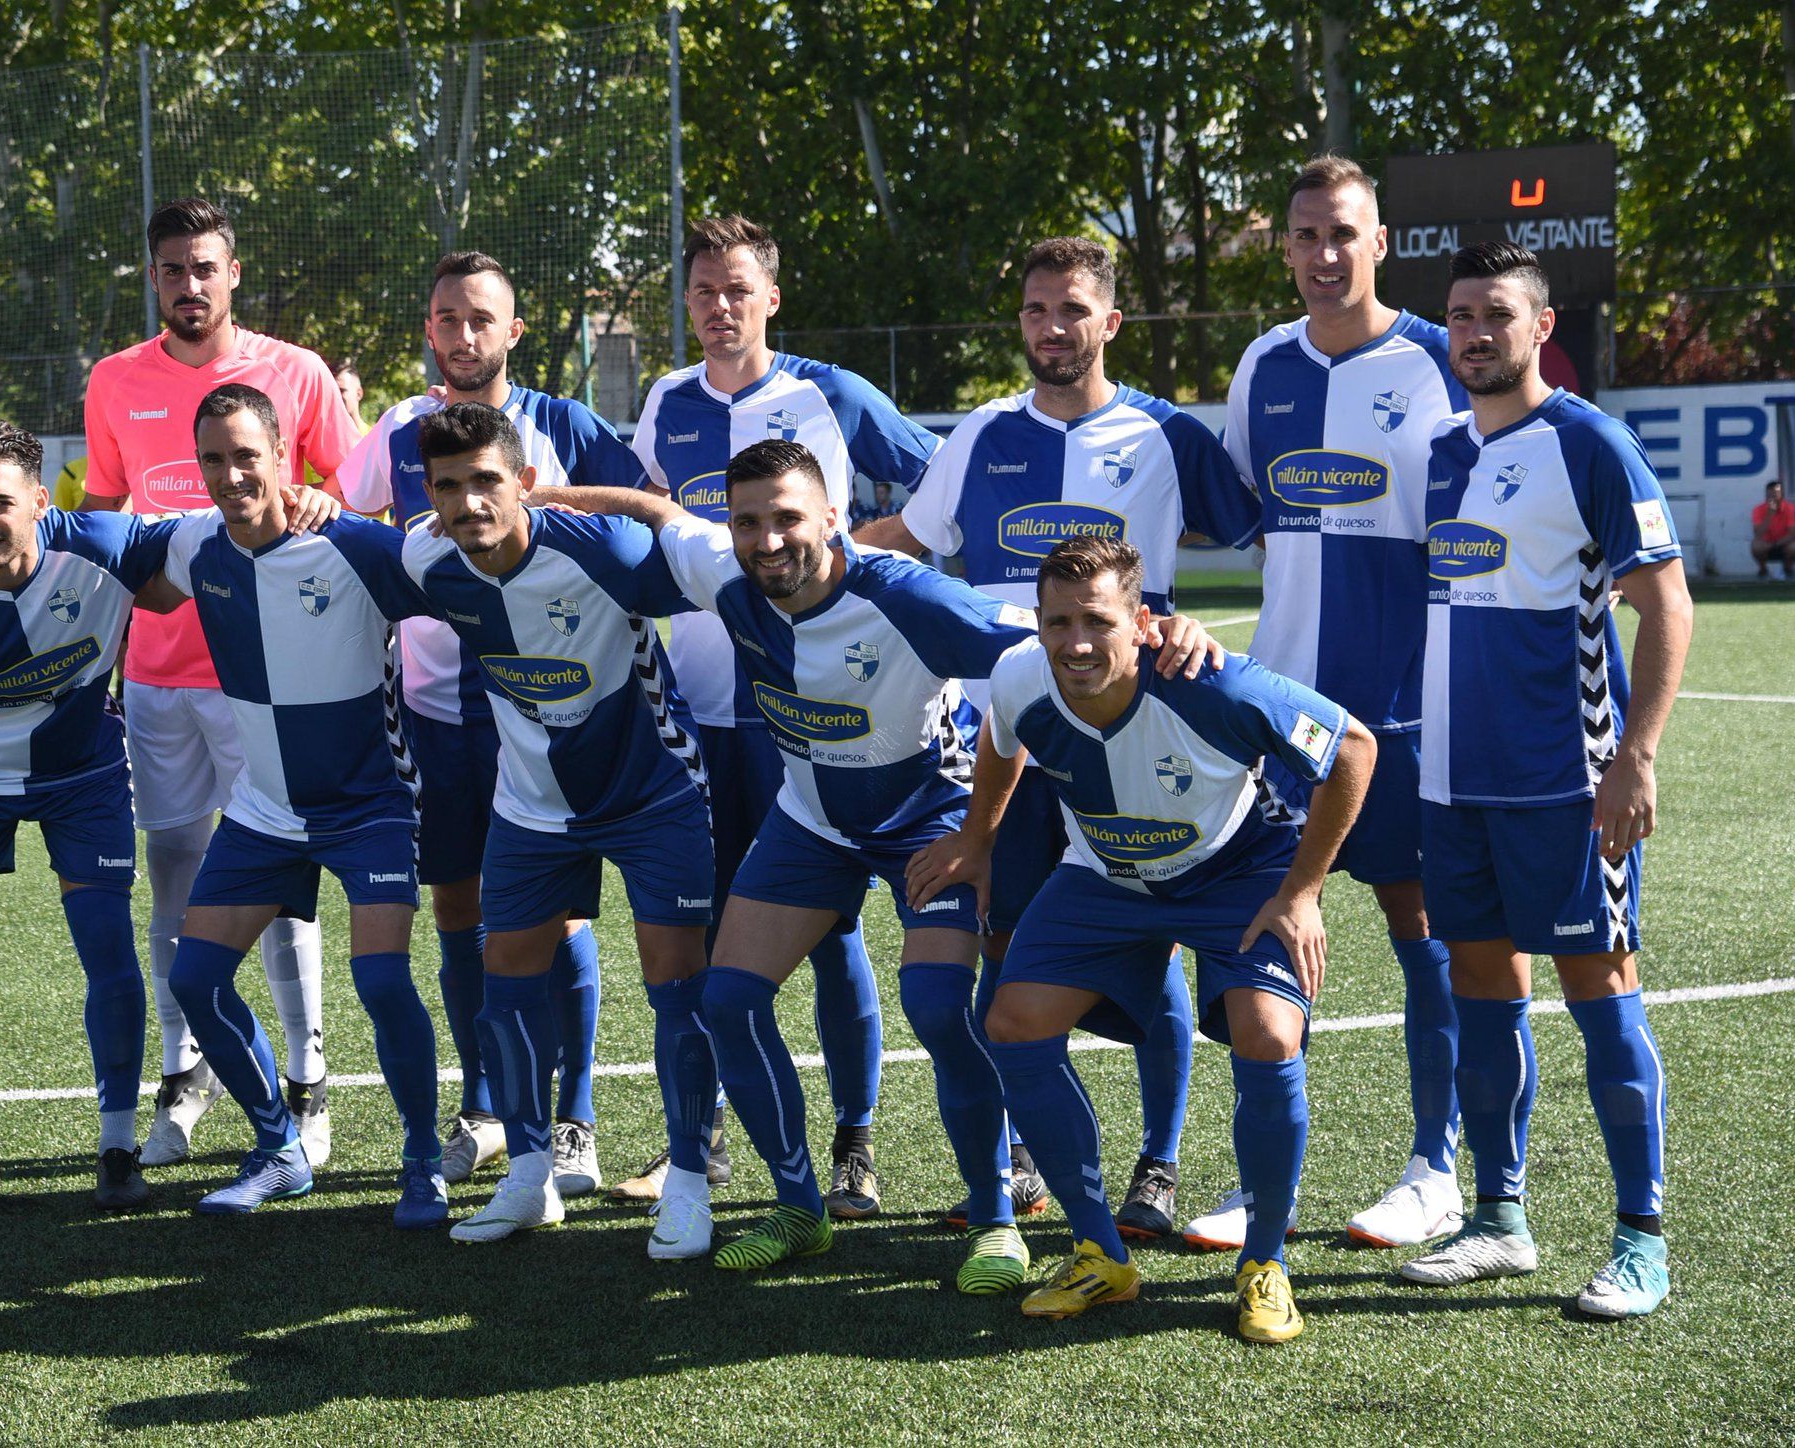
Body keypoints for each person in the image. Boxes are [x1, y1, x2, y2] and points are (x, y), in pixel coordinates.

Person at [531, 442, 1217, 1287]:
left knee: (936, 1005)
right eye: (748, 522)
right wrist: (537, 496)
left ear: (831, 517)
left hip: (925, 820)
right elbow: (656, 515)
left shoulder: (908, 596)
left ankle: (994, 1216)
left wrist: (1166, 628)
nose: (767, 539)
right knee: (728, 998)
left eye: (788, 518)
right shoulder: (729, 574)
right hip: (811, 822)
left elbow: (1057, 639)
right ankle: (799, 1209)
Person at [861, 235, 1264, 1239]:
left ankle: (1159, 1162)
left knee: (1152, 944)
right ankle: (1023, 1154)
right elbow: (904, 542)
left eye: (1071, 309)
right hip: (1004, 741)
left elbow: (1271, 535)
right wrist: (784, 556)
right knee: (1007, 951)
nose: (1051, 328)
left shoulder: (1167, 434)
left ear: (1109, 321)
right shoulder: (980, 434)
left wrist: (1193, 623)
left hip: (1134, 741)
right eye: (1036, 309)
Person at [908, 535, 1375, 1341]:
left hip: (1236, 872)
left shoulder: (1211, 684)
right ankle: (1099, 1249)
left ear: (1142, 624)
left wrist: (1301, 894)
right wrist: (978, 838)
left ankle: (1265, 1262)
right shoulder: (1023, 674)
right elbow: (999, 742)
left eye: (1096, 620)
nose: (1076, 643)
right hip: (1106, 878)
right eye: (1058, 622)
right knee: (1012, 1023)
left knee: (1267, 1038)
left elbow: (1353, 748)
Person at [0, 418, 321, 1215]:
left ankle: (116, 1149)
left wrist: (308, 502)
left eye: (0, 504)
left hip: (84, 777)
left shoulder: (108, 546)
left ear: (41, 501)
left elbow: (221, 524)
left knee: (107, 950)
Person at [1398, 242, 1692, 1320]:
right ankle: (1498, 1218)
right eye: (1458, 314)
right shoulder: (1438, 452)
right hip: (1451, 788)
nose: (1473, 331)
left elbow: (1663, 601)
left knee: (1598, 988)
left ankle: (1639, 1238)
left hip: (1563, 782)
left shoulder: (1587, 442)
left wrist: (1636, 755)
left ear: (1538, 325)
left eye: (1494, 313)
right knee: (1481, 987)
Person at [628, 215, 938, 1218]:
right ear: (686, 303)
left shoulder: (828, 395)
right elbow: (651, 524)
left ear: (770, 298)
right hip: (700, 713)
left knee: (834, 930)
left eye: (736, 290)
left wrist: (864, 548)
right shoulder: (665, 402)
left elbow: (944, 480)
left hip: (812, 716)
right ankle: (709, 1134)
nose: (719, 308)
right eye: (703, 291)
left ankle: (854, 1143)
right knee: (714, 931)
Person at [338, 250, 658, 1197]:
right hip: (437, 713)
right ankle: (481, 1106)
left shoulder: (564, 426)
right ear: (428, 328)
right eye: (447, 318)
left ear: (512, 332)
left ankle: (577, 1120)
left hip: (553, 712)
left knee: (560, 915)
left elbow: (651, 521)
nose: (464, 335)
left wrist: (547, 499)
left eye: (482, 319)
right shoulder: (397, 428)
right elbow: (352, 529)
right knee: (459, 909)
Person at [1219, 154, 1469, 1251]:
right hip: (1283, 713)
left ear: (1380, 242)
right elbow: (1226, 506)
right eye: (1305, 236)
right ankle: (1256, 1182)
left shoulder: (1435, 360)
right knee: (1265, 930)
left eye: (1344, 235)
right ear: (1285, 247)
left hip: (1410, 710)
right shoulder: (1261, 364)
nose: (1324, 256)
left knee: (1423, 932)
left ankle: (1435, 1164)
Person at [401, 403, 721, 1259]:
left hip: (654, 794)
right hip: (533, 807)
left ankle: (688, 1181)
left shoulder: (600, 550)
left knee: (675, 978)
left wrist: (636, 505)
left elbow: (697, 565)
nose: (468, 504)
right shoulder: (427, 558)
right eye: (448, 487)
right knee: (503, 970)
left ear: (526, 484)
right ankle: (531, 1174)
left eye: (486, 483)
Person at [81, 197, 358, 1169]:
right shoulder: (113, 382)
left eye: (203, 267)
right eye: (169, 269)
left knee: (282, 882)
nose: (187, 285)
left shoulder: (297, 373)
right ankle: (182, 1070)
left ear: (232, 272)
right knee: (175, 873)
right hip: (157, 680)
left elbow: (356, 484)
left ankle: (307, 1076)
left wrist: (327, 495)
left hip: (271, 679)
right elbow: (107, 529)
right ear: (152, 278)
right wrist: (97, 663)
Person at [135, 383, 445, 1224]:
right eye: (213, 460)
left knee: (381, 981)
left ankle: (422, 1161)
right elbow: (112, 550)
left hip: (369, 805)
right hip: (266, 810)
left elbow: (467, 580)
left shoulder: (353, 543)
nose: (231, 475)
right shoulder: (196, 544)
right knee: (197, 980)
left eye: (247, 456)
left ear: (283, 456)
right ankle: (279, 1147)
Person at [1752, 479, 1795, 579]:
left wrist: (1774, 544)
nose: (1772, 499)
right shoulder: (1758, 510)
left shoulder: (1790, 508)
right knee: (1756, 546)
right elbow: (1758, 534)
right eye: (1769, 496)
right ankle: (1763, 570)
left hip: (1783, 543)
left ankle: (1788, 569)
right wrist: (1769, 516)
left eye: (1774, 496)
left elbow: (1792, 534)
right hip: (1765, 543)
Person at [335, 360, 368, 436]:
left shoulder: (374, 437)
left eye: (342, 390)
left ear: (359, 393)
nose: (336, 396)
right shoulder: (326, 438)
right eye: (334, 392)